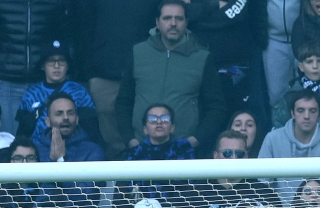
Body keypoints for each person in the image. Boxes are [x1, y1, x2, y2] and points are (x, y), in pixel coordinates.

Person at [114, 1, 226, 153]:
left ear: (186, 22)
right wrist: (131, 140)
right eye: (167, 18)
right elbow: (123, 102)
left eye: (179, 19)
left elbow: (216, 108)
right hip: (141, 148)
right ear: (157, 22)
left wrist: (194, 141)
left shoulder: (202, 58)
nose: (173, 23)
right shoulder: (138, 52)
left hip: (183, 151)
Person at [0, 0, 69, 134]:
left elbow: (68, 39)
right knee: (10, 146)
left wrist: (66, 72)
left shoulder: (52, 3)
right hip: (8, 88)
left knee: (45, 147)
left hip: (44, 86)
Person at [77, 0, 159, 158]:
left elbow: (163, 20)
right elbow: (83, 29)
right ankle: (116, 180)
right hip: (103, 74)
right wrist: (90, 72)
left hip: (143, 74)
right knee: (112, 141)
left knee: (146, 129)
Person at [258, 91, 320, 204]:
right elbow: (262, 183)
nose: (306, 116)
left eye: (312, 111)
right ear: (292, 113)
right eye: (300, 110)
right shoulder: (272, 139)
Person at [15, 39, 98, 140]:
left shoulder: (79, 92)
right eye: (51, 61)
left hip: (73, 150)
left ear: (68, 66)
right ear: (42, 66)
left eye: (61, 60)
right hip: (38, 151)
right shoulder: (31, 94)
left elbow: (91, 131)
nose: (57, 66)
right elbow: (21, 133)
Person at [272, 40, 320, 131]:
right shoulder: (291, 95)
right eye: (309, 62)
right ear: (301, 66)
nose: (315, 66)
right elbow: (280, 125)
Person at [33, 92, 104, 162]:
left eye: (70, 113)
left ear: (77, 120)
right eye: (59, 114)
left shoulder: (92, 150)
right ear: (48, 122)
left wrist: (60, 159)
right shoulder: (35, 152)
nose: (66, 117)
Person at [122, 104, 197, 161]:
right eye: (152, 119)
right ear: (145, 129)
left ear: (172, 128)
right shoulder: (133, 154)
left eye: (165, 118)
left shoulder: (185, 150)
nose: (159, 122)